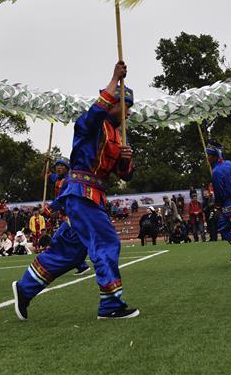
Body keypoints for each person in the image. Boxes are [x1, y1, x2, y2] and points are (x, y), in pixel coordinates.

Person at [12, 61, 139, 320]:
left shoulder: (117, 135)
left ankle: (25, 288)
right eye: (123, 105)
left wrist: (126, 158)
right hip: (82, 194)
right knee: (105, 242)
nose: (126, 112)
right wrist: (114, 79)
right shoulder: (93, 123)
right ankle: (110, 304)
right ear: (113, 102)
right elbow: (92, 114)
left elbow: (124, 174)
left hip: (93, 196)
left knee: (70, 251)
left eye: (129, 108)